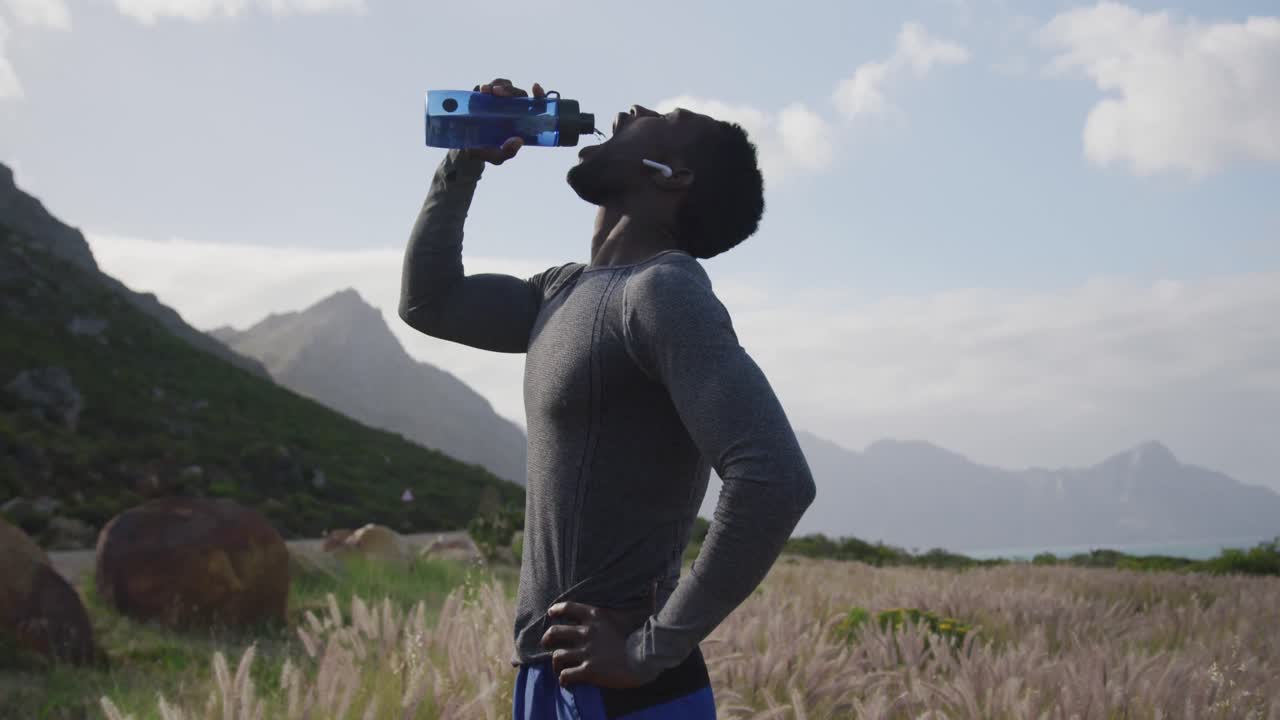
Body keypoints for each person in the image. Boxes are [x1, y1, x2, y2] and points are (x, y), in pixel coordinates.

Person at [400, 77, 816, 720]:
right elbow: (430, 302)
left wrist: (651, 651)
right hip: (549, 677)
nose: (628, 111)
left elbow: (776, 479)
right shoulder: (560, 292)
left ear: (671, 175)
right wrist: (465, 158)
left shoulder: (663, 294)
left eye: (660, 117)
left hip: (625, 693)